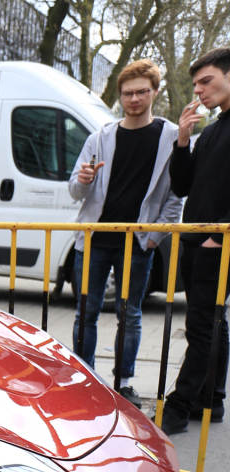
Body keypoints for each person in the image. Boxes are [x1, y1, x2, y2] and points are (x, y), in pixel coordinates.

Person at [66, 58, 183, 409]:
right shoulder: (100, 137)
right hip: (94, 240)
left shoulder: (172, 136)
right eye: (128, 93)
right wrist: (83, 181)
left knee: (129, 314)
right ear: (120, 96)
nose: (134, 99)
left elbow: (177, 194)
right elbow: (75, 189)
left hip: (137, 242)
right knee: (85, 311)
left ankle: (125, 382)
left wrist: (154, 237)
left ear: (154, 92)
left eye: (141, 92)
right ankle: (84, 377)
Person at [164, 46, 230, 435]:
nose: (200, 91)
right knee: (212, 322)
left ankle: (179, 405)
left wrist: (219, 238)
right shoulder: (212, 129)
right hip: (196, 241)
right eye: (196, 85)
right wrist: (184, 138)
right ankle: (212, 399)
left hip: (216, 243)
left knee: (202, 326)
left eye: (207, 81)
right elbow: (182, 185)